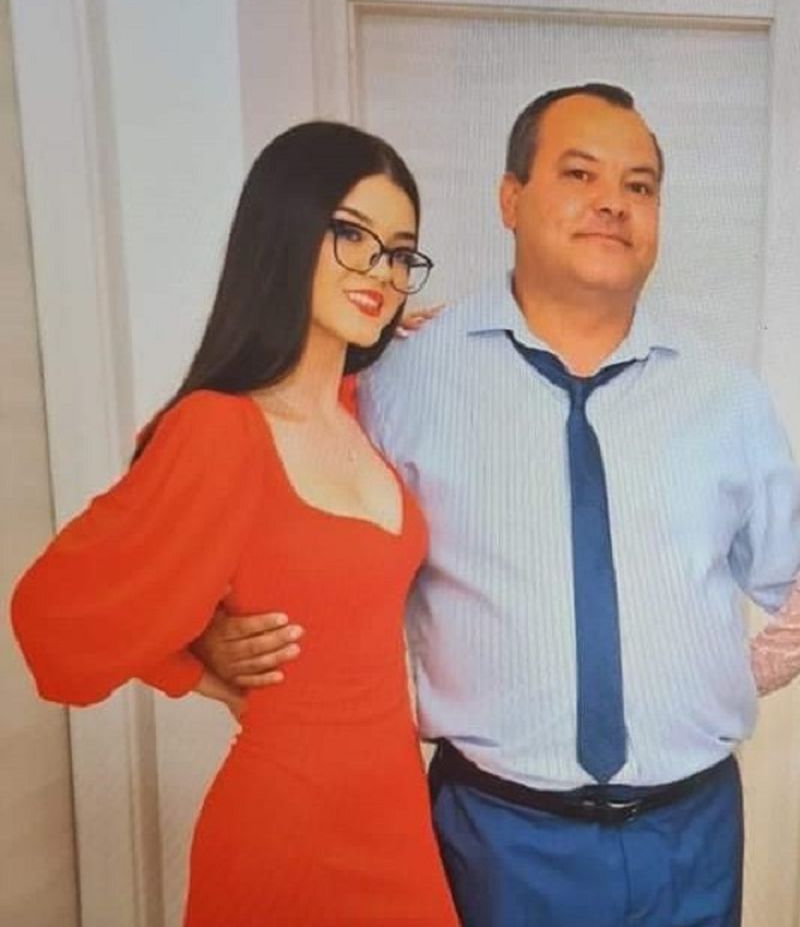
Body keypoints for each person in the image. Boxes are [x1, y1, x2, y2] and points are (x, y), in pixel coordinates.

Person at [197, 84, 800, 927]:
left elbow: (790, 572)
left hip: (690, 835)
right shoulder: (399, 381)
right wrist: (207, 633)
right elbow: (280, 528)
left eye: (639, 185)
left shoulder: (726, 397)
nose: (613, 202)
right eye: (580, 173)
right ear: (510, 199)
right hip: (495, 837)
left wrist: (728, 676)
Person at [10, 121, 460, 926]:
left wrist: (404, 348)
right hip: (283, 833)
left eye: (398, 253)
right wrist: (194, 656)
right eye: (352, 236)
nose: (381, 271)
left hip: (396, 823)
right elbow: (52, 615)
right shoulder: (220, 429)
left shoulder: (359, 413)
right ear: (286, 227)